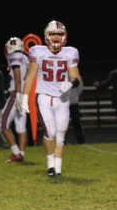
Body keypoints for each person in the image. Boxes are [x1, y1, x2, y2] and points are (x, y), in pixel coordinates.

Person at [21, 20, 82, 177]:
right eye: (53, 34)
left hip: (62, 98)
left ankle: (58, 167)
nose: (56, 37)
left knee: (60, 134)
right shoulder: (37, 51)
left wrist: (70, 83)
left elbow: (75, 77)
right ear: (47, 35)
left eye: (59, 34)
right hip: (44, 97)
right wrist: (24, 98)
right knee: (50, 131)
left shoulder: (70, 52)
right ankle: (50, 164)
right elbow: (29, 76)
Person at [0, 37, 29, 163]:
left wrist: (17, 95)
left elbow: (17, 77)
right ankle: (21, 154)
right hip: (25, 94)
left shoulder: (15, 57)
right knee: (21, 127)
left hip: (16, 93)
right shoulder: (26, 58)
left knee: (3, 123)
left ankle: (16, 153)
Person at [69, 76, 86, 144]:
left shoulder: (75, 74)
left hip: (71, 102)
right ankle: (81, 140)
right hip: (70, 102)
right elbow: (80, 88)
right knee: (76, 123)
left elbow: (80, 86)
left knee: (77, 123)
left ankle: (81, 140)